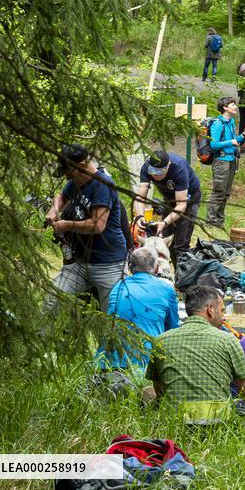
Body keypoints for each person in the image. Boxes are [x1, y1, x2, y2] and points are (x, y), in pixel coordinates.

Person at [146, 286, 245, 421]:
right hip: (217, 423)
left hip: (174, 422)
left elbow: (159, 390)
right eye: (222, 310)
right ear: (210, 310)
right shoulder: (228, 340)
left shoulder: (161, 340)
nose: (224, 317)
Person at [46, 144, 127, 310]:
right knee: (51, 301)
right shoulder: (76, 181)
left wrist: (66, 225)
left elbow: (97, 225)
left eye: (69, 173)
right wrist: (54, 210)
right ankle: (39, 336)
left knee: (111, 317)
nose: (68, 178)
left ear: (81, 166)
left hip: (108, 265)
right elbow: (61, 196)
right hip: (80, 263)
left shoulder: (102, 184)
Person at [97, 247, 179, 371]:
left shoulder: (118, 286)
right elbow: (173, 329)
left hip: (107, 362)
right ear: (156, 268)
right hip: (145, 365)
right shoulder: (166, 289)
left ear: (130, 268)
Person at [134, 150, 201, 264]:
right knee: (163, 241)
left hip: (188, 200)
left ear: (168, 165)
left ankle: (182, 279)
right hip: (169, 199)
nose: (156, 175)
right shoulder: (146, 167)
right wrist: (140, 216)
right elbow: (140, 198)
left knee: (180, 246)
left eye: (160, 171)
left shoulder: (179, 168)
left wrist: (165, 222)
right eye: (153, 171)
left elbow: (181, 205)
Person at [206, 97, 245, 228]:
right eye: (232, 105)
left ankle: (219, 221)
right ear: (225, 107)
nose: (236, 107)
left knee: (226, 193)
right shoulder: (217, 124)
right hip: (221, 161)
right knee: (218, 191)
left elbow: (235, 141)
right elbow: (214, 144)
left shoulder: (231, 122)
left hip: (232, 160)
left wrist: (244, 134)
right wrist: (230, 142)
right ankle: (210, 221)